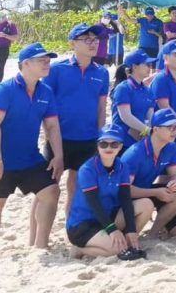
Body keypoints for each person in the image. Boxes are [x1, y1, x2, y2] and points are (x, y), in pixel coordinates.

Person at [0, 43, 63, 259]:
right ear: (25, 64)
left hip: (29, 158)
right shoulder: (4, 90)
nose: (47, 63)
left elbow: (52, 126)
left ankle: (41, 245)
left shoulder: (45, 91)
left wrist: (58, 156)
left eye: (48, 60)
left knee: (51, 192)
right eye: (41, 60)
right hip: (1, 159)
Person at [44, 24, 110, 219]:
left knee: (76, 185)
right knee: (47, 190)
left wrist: (101, 137)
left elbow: (101, 108)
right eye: (86, 39)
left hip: (88, 138)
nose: (93, 43)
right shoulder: (56, 70)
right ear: (72, 43)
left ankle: (70, 224)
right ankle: (36, 234)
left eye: (95, 39)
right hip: (59, 138)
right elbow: (46, 108)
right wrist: (48, 137)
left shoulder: (102, 72)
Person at [65, 124, 151, 259]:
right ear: (97, 146)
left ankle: (126, 240)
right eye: (103, 144)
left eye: (114, 144)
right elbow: (94, 204)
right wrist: (112, 229)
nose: (108, 148)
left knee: (146, 204)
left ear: (121, 146)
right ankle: (80, 249)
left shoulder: (122, 166)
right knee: (116, 250)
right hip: (83, 224)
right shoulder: (87, 169)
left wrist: (131, 230)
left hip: (108, 217)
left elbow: (125, 199)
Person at [121, 109, 176, 237]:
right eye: (170, 127)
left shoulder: (171, 147)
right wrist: (156, 192)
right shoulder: (134, 154)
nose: (175, 131)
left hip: (147, 191)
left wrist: (175, 182)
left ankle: (152, 234)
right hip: (125, 200)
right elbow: (124, 190)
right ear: (156, 129)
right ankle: (130, 236)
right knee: (147, 203)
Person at [110, 50, 156, 141]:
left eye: (150, 65)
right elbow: (126, 116)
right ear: (134, 67)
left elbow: (150, 116)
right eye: (146, 64)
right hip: (121, 142)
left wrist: (148, 132)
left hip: (141, 140)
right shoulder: (123, 88)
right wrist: (148, 131)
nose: (150, 67)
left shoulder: (148, 90)